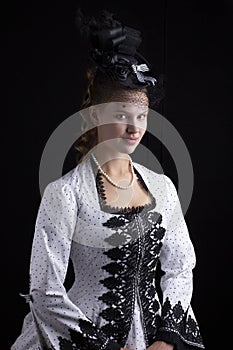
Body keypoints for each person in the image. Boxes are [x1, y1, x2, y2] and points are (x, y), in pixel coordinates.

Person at [11, 9, 205, 350]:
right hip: (86, 337)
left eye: (142, 116)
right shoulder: (66, 193)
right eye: (121, 115)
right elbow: (45, 290)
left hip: (154, 339)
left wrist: (166, 338)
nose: (135, 128)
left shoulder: (162, 187)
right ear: (93, 116)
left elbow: (180, 267)